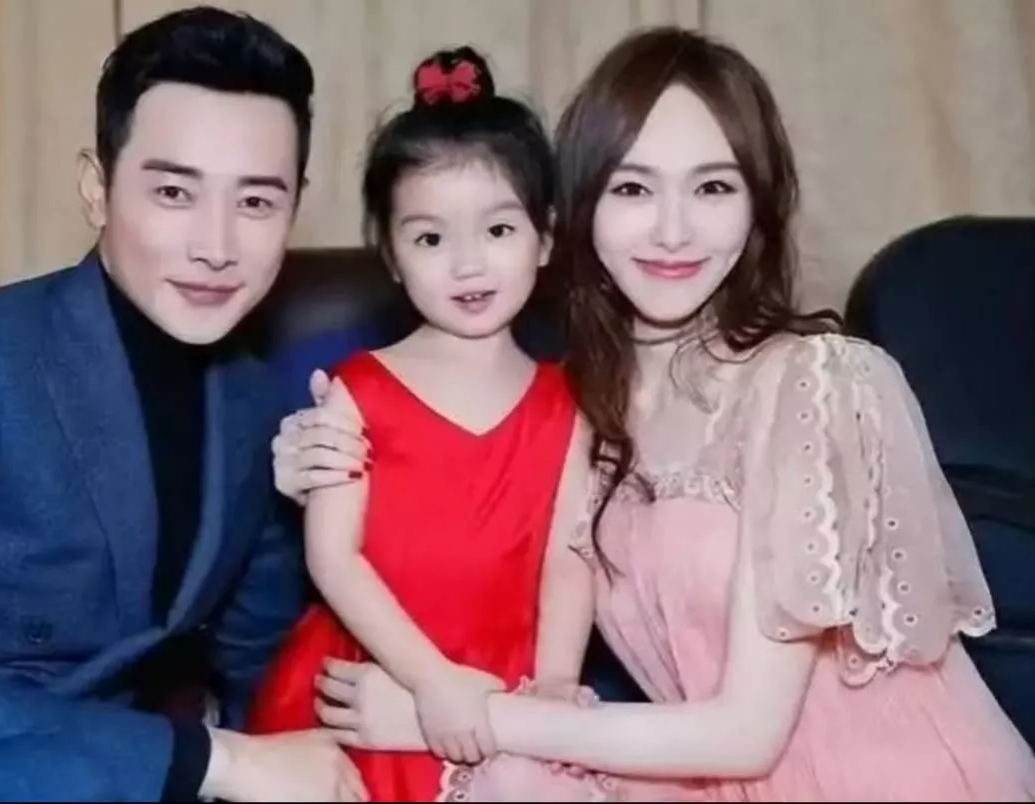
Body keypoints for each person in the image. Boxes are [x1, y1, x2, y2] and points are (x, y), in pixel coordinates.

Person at [287, 26, 1035, 801]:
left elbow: (746, 737)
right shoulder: (589, 398)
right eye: (634, 189)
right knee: (513, 785)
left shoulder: (816, 382)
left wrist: (453, 713)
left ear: (759, 206)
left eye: (712, 188)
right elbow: (449, 494)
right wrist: (307, 455)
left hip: (870, 779)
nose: (673, 231)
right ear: (578, 210)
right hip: (704, 775)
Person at [0, 6, 370, 802]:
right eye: (174, 192)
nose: (217, 246)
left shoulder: (253, 404)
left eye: (257, 203)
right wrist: (217, 761)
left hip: (108, 775)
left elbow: (262, 662)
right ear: (96, 189)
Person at [246, 48, 594, 802]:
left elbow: (569, 558)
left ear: (545, 236)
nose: (467, 265)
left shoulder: (568, 400)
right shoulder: (358, 389)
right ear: (393, 256)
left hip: (507, 676)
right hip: (375, 676)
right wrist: (431, 682)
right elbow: (333, 556)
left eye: (498, 230)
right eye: (431, 239)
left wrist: (556, 685)